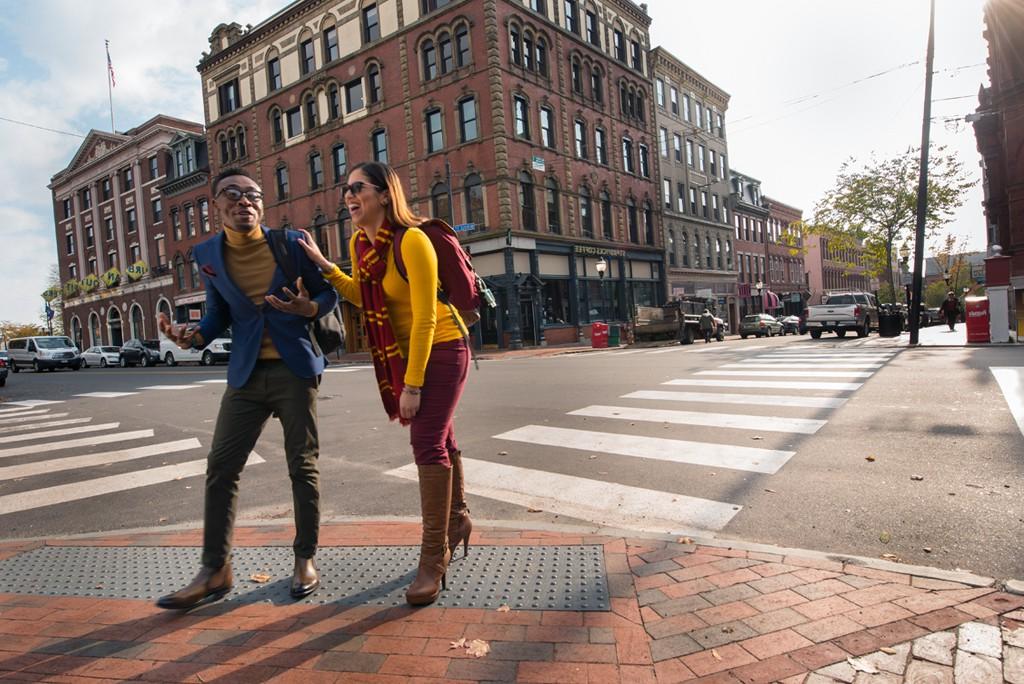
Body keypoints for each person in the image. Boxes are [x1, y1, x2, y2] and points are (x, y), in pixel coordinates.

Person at [154, 168, 339, 610]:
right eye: (231, 195)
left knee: (303, 466)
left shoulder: (291, 244)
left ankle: (304, 558)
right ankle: (215, 568)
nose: (243, 202)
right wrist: (193, 336)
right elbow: (218, 314)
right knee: (220, 467)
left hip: (294, 370)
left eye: (252, 195)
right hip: (245, 375)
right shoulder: (208, 254)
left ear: (262, 203)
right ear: (215, 205)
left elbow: (330, 293)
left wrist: (307, 306)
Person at [297, 161, 471, 607]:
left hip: (444, 347)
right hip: (407, 349)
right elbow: (362, 294)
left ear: (384, 194)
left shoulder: (412, 240)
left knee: (427, 441)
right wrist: (323, 265)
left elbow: (427, 316)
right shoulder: (361, 244)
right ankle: (459, 518)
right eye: (345, 189)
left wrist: (411, 386)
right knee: (442, 436)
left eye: (358, 188)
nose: (348, 197)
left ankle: (434, 557)